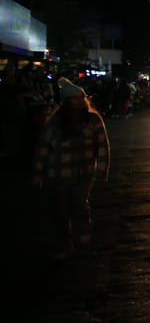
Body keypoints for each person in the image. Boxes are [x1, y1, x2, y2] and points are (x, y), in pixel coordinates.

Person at [32, 77, 111, 260]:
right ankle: (64, 244)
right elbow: (43, 148)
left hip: (84, 173)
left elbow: (102, 145)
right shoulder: (55, 123)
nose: (79, 102)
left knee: (80, 205)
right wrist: (38, 173)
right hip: (58, 173)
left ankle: (82, 238)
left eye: (81, 98)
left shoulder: (93, 119)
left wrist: (102, 169)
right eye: (75, 99)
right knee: (60, 210)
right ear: (66, 102)